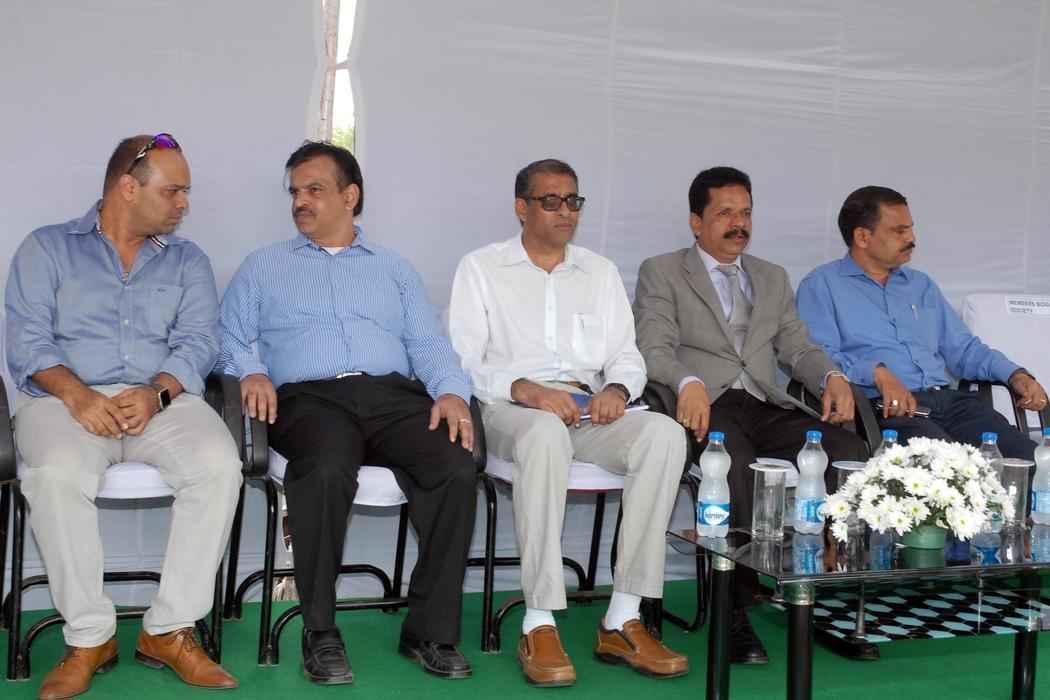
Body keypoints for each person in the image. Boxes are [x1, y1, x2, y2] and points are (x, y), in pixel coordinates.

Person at [218, 141, 477, 685]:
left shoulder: (393, 268)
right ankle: (320, 631)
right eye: (295, 192)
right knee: (327, 466)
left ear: (350, 196)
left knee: (454, 464)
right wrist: (252, 372)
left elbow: (427, 343)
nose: (300, 201)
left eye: (314, 189)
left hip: (391, 395)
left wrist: (452, 391)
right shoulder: (265, 266)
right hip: (309, 399)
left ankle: (429, 630)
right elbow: (229, 337)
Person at [5, 133, 242, 699]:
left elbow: (199, 341)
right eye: (173, 191)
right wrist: (78, 395)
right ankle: (89, 638)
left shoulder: (187, 259)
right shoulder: (46, 248)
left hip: (159, 400)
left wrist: (158, 391)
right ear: (128, 188)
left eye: (185, 192)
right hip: (64, 402)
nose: (183, 203)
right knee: (56, 474)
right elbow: (28, 342)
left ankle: (168, 630)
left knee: (218, 465)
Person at [448, 158, 689, 687]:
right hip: (511, 409)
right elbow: (463, 362)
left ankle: (622, 617)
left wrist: (617, 389)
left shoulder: (599, 272)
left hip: (588, 409)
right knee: (544, 433)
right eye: (551, 201)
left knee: (665, 435)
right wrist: (528, 389)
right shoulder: (482, 267)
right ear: (522, 207)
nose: (565, 211)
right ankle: (538, 621)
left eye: (573, 201)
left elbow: (627, 355)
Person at [633, 166, 869, 664]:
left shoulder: (770, 276)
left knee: (847, 450)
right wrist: (686, 383)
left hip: (764, 402)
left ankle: (832, 596)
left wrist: (832, 376)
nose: (738, 224)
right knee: (735, 466)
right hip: (704, 404)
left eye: (745, 213)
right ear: (696, 221)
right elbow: (652, 348)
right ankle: (734, 611)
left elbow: (797, 347)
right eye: (725, 214)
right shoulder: (663, 271)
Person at [796, 185, 1046, 460]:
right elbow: (817, 357)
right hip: (887, 410)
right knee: (950, 471)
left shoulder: (920, 285)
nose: (911, 238)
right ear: (863, 237)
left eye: (910, 229)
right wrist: (877, 372)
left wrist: (1015, 375)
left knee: (1032, 461)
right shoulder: (822, 286)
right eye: (899, 231)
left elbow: (964, 350)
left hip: (952, 404)